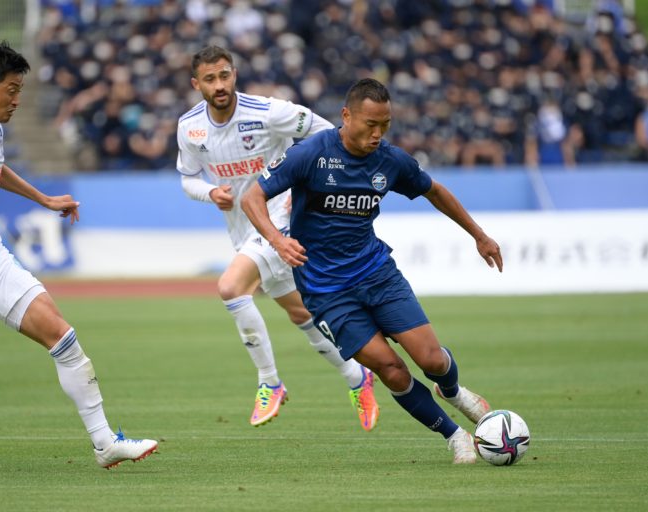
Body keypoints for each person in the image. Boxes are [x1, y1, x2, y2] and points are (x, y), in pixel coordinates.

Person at [242, 78, 503, 464]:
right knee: (391, 369)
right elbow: (253, 197)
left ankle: (453, 392)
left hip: (377, 274)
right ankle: (454, 435)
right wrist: (277, 241)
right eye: (370, 124)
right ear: (346, 116)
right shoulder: (311, 154)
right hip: (326, 290)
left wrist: (479, 235)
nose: (378, 134)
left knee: (432, 360)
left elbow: (434, 191)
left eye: (385, 125)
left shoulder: (390, 160)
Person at [0, 42, 157, 469]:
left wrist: (43, 198)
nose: (17, 100)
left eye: (20, 91)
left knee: (63, 337)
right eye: (11, 90)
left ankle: (105, 444)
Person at [175, 46, 379, 430]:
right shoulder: (190, 127)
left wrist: (310, 182)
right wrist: (210, 192)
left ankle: (270, 382)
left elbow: (328, 134)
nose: (219, 85)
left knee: (231, 287)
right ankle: (358, 377)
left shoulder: (269, 112)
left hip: (283, 218)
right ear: (196, 84)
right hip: (242, 228)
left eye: (224, 75)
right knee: (301, 313)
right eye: (210, 79)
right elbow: (187, 178)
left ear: (235, 74)